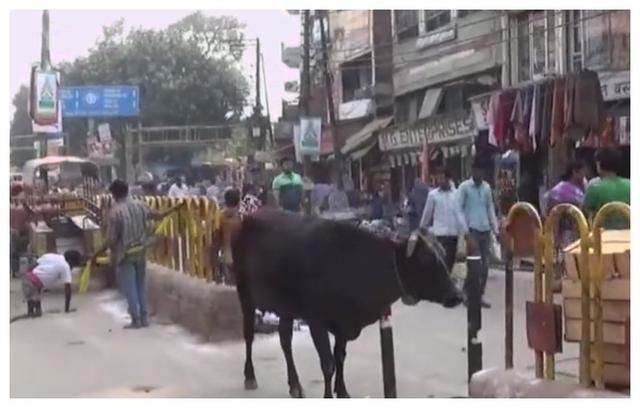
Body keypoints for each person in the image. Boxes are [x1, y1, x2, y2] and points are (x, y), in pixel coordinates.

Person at [91, 180, 183, 329]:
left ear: (113, 194)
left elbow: (111, 240)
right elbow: (159, 216)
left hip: (125, 254)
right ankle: (144, 318)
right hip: (141, 250)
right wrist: (175, 208)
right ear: (127, 190)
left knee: (130, 288)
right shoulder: (140, 205)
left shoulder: (115, 212)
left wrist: (96, 254)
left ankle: (136, 319)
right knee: (140, 286)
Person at [458, 161, 499, 308]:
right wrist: (465, 231)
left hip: (485, 230)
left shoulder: (487, 188)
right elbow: (459, 210)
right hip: (472, 231)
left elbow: (490, 209)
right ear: (472, 171)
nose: (479, 174)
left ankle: (477, 295)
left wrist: (496, 228)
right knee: (474, 266)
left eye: (481, 171)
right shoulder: (464, 188)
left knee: (485, 266)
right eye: (477, 171)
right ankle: (470, 296)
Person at [420, 167, 471, 275]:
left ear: (448, 179)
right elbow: (427, 214)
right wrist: (423, 228)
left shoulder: (456, 194)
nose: (440, 181)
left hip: (453, 235)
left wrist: (466, 232)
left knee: (450, 264)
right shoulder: (433, 195)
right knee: (442, 264)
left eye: (442, 178)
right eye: (438, 178)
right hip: (439, 235)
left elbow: (460, 215)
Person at [21, 250, 83, 318]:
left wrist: (29, 275)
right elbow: (68, 289)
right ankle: (31, 314)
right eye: (73, 265)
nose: (72, 268)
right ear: (71, 261)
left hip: (27, 279)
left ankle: (30, 313)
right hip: (34, 284)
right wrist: (67, 309)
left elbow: (34, 264)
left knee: (32, 305)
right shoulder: (65, 266)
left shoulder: (51, 256)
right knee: (37, 310)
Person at [583, 148, 630, 229]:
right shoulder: (630, 184)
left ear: (599, 164)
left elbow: (585, 212)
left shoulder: (594, 187)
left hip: (603, 236)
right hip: (628, 235)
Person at [215, 188, 243, 285]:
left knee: (229, 285)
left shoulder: (219, 217)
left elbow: (216, 240)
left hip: (226, 257)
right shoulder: (241, 218)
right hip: (239, 258)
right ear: (238, 202)